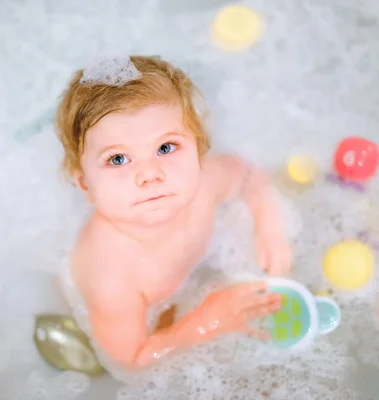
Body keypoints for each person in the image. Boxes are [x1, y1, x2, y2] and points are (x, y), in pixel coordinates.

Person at [55, 55, 292, 373]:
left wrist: (269, 228)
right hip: (136, 317)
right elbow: (132, 358)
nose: (150, 174)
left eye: (166, 148)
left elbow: (248, 174)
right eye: (118, 159)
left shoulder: (206, 183)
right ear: (84, 183)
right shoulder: (111, 276)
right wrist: (206, 321)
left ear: (199, 149)